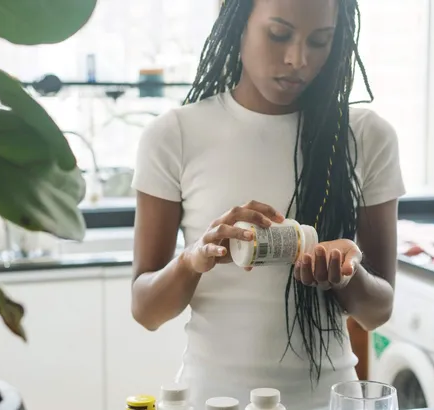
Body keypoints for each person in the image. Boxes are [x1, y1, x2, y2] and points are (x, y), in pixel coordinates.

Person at [130, 0, 404, 408]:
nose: (298, 59)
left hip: (327, 400)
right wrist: (191, 262)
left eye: (320, 41)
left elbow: (378, 311)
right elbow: (146, 310)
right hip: (214, 400)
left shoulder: (365, 137)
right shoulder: (175, 135)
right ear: (237, 23)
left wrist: (347, 275)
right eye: (279, 34)